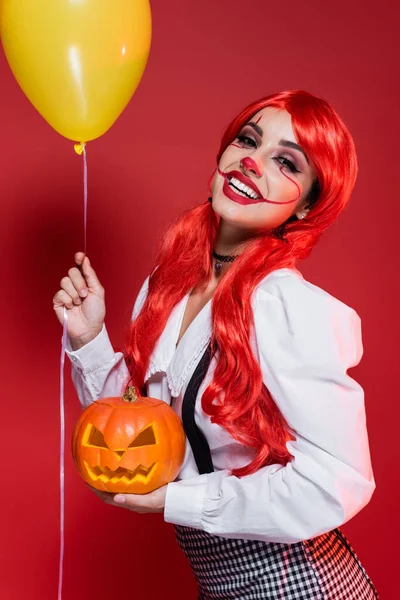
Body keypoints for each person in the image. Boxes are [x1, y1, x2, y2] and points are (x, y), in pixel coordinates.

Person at [53, 90, 379, 599]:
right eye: (248, 140)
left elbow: (336, 480)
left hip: (298, 586)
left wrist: (180, 503)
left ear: (309, 202)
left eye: (285, 161)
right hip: (219, 585)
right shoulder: (170, 285)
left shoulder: (285, 305)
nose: (252, 160)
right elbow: (135, 428)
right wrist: (88, 336)